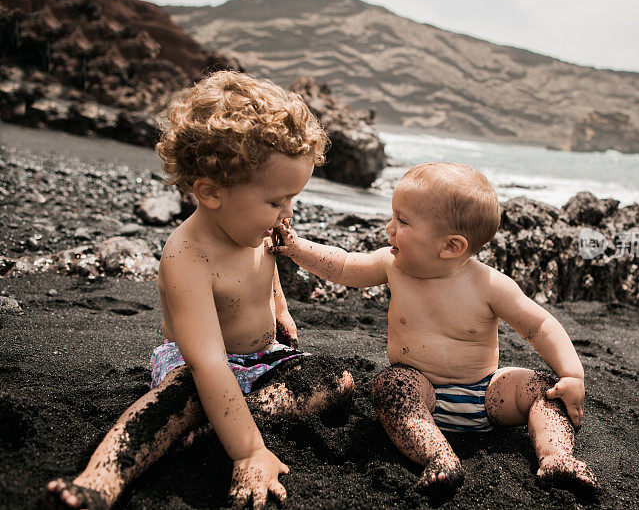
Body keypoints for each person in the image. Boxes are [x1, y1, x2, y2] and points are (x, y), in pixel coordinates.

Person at [41, 71, 354, 509]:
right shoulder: (187, 256)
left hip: (263, 362)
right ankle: (99, 482)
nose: (287, 213)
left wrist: (280, 310)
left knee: (334, 378)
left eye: (292, 199)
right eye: (277, 201)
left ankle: (210, 432)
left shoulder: (254, 228)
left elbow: (268, 273)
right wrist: (248, 452)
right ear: (210, 191)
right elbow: (208, 362)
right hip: (200, 365)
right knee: (175, 399)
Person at [270, 161, 599, 495]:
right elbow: (343, 266)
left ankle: (556, 457)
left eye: (403, 221)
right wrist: (296, 247)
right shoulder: (392, 264)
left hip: (486, 393)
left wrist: (572, 375)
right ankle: (439, 456)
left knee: (544, 389)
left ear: (451, 246)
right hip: (421, 390)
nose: (389, 228)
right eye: (393, 216)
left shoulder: (490, 285)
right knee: (390, 386)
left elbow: (540, 325)